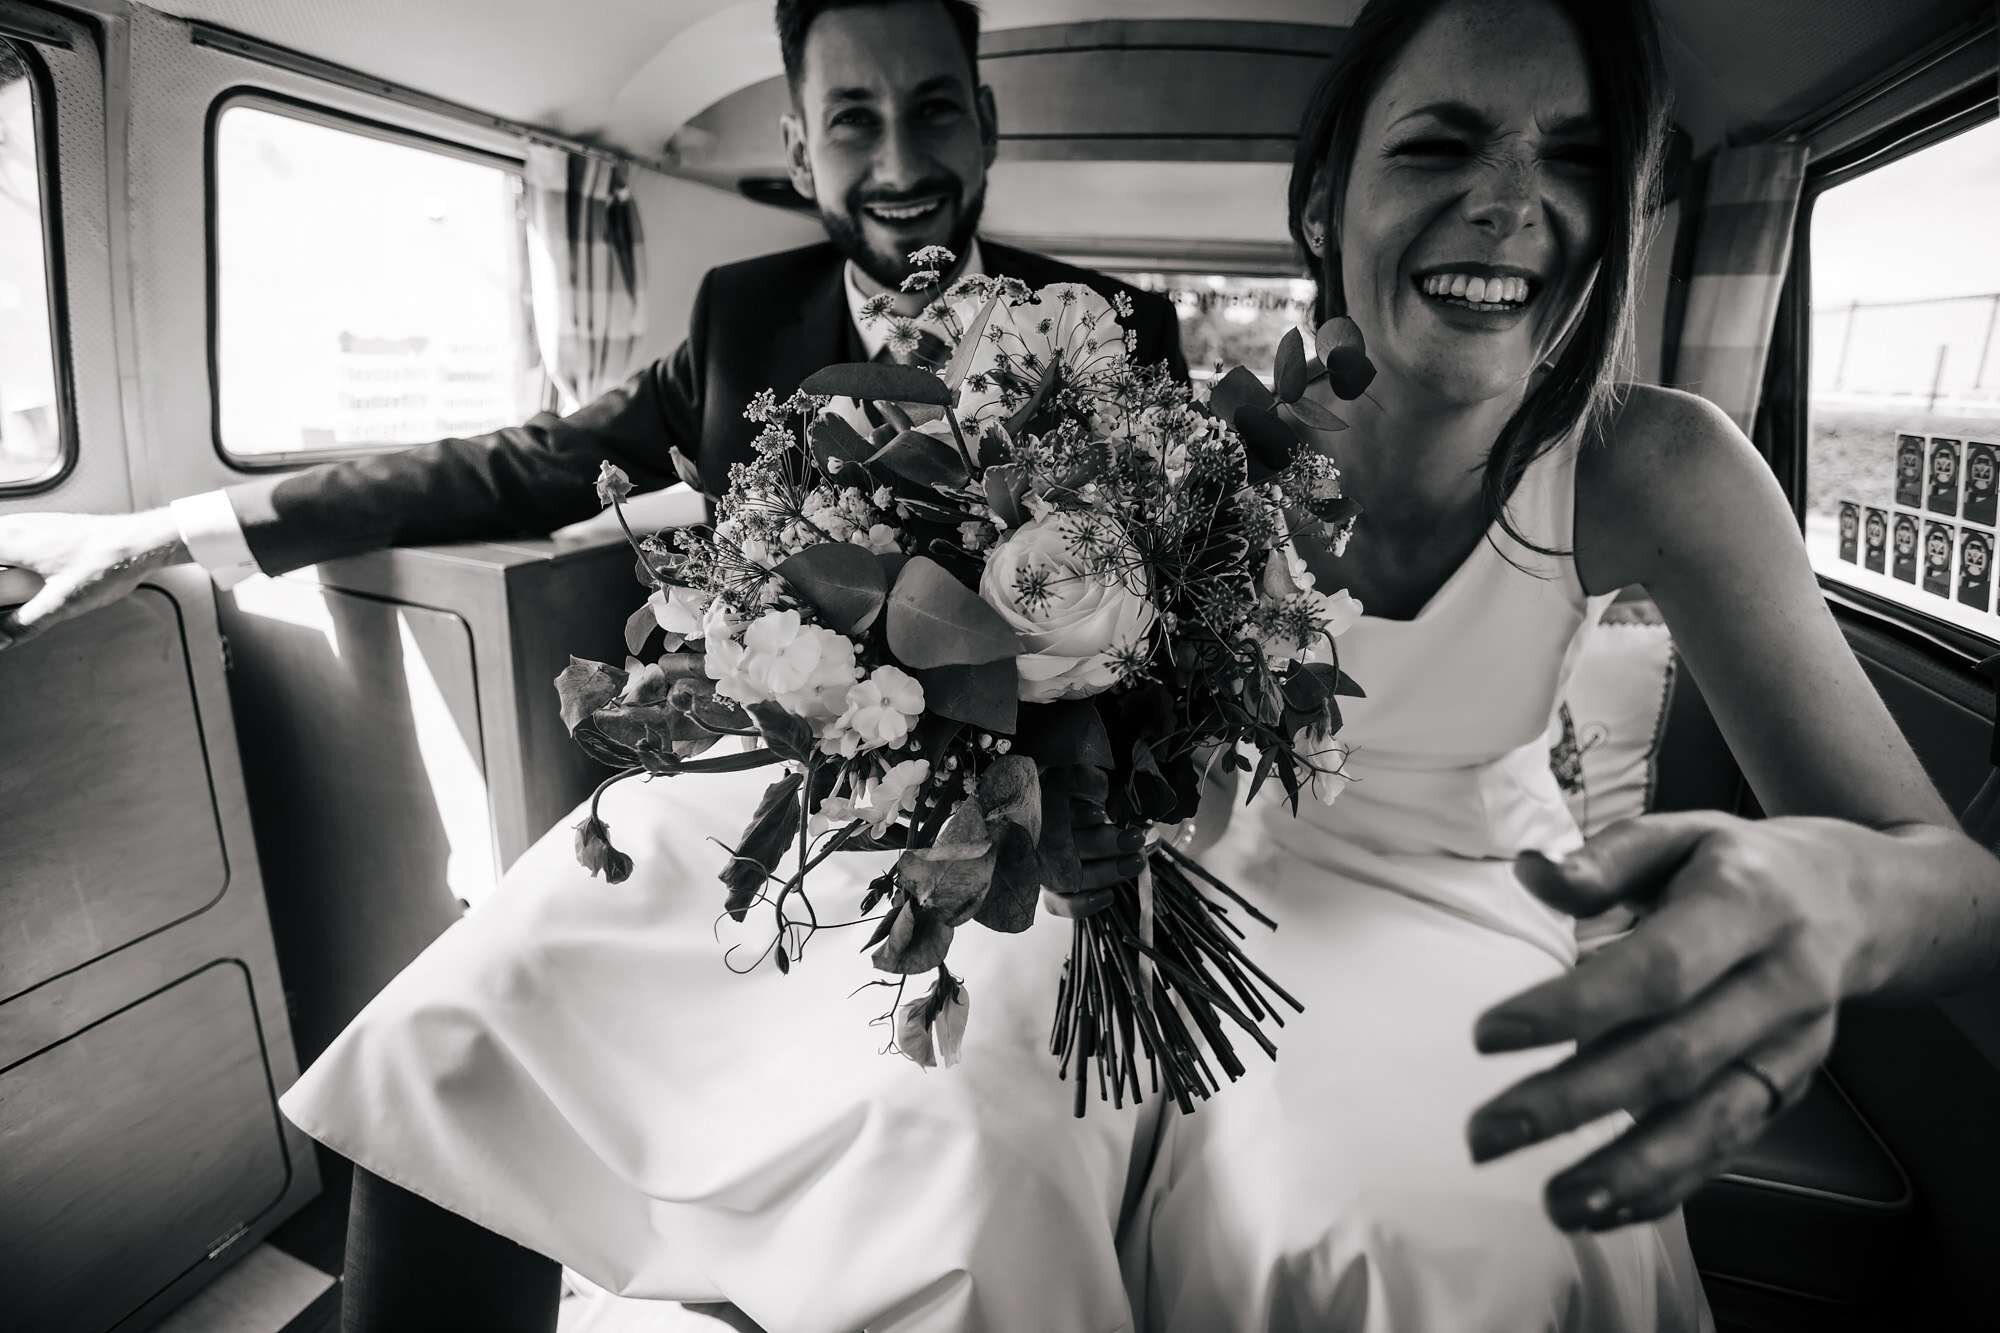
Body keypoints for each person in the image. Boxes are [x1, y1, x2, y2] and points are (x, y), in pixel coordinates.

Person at [0, 0, 1184, 649]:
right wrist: (169, 529)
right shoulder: (742, 322)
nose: (901, 164)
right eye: (851, 124)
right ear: (795, 151)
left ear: (981, 120)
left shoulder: (1119, 331)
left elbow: (1179, 615)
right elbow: (526, 466)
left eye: (933, 112)